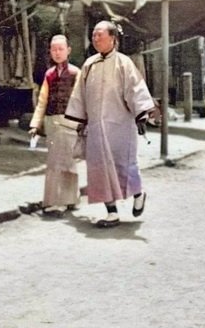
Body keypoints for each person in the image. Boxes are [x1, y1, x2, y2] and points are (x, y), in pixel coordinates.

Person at [65, 20, 156, 228]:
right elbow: (79, 95)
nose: (95, 39)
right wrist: (81, 120)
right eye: (94, 35)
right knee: (98, 168)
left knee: (124, 165)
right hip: (96, 127)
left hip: (120, 125)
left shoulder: (124, 63)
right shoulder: (89, 64)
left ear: (113, 38)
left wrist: (142, 114)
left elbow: (136, 90)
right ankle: (111, 212)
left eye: (100, 35)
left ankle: (139, 193)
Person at [29, 35, 81, 217]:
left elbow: (80, 100)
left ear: (68, 50)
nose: (57, 53)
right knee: (55, 161)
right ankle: (60, 200)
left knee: (68, 161)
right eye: (54, 49)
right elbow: (42, 101)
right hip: (52, 121)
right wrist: (36, 124)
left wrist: (82, 122)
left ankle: (67, 199)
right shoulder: (49, 74)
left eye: (61, 49)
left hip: (70, 121)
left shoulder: (76, 73)